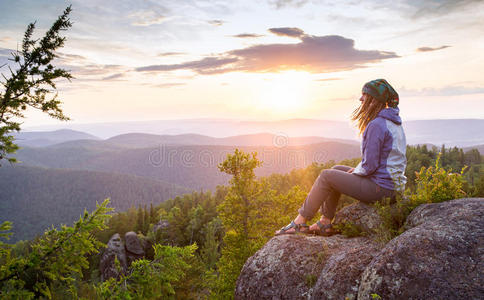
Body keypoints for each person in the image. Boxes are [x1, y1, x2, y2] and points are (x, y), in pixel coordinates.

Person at [276, 79, 407, 236]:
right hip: (392, 187)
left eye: (364, 95)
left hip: (382, 190)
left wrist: (358, 171)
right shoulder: (392, 122)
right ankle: (325, 222)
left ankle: (299, 222)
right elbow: (380, 161)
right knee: (336, 170)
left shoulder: (377, 125)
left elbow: (370, 166)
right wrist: (356, 170)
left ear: (373, 100)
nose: (361, 99)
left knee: (326, 176)